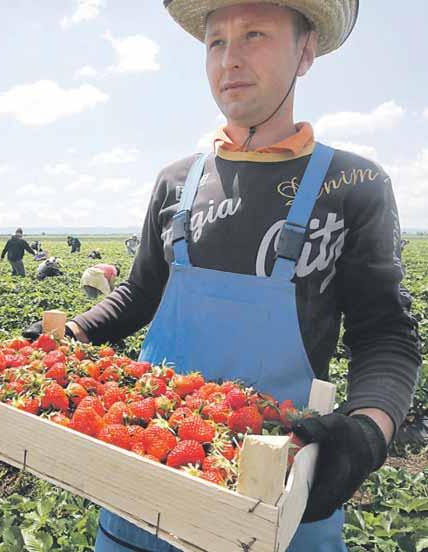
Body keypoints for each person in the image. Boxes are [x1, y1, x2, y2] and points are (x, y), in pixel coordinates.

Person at [24, 2, 421, 551]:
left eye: (254, 34)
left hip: (281, 491)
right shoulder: (177, 182)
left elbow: (386, 335)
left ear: (305, 52)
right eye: (216, 42)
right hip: (147, 475)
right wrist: (69, 336)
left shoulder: (352, 183)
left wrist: (367, 433)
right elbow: (140, 293)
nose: (230, 59)